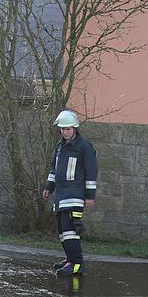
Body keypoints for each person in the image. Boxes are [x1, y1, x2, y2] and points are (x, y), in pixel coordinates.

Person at [42, 110, 97, 276]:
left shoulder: (85, 147)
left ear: (75, 128)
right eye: (62, 129)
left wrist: (90, 196)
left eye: (68, 129)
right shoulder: (60, 146)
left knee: (71, 231)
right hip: (61, 197)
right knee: (62, 233)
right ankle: (70, 259)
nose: (65, 132)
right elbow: (54, 170)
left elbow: (91, 172)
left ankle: (77, 264)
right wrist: (48, 187)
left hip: (75, 197)